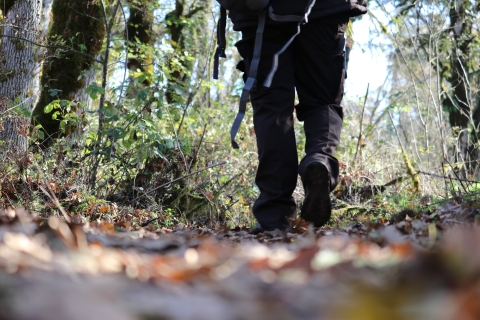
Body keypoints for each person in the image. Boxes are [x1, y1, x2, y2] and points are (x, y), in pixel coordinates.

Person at [227, 0, 367, 233]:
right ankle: (319, 159)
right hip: (325, 10)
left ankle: (275, 217)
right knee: (323, 101)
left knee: (273, 111)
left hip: (261, 13)